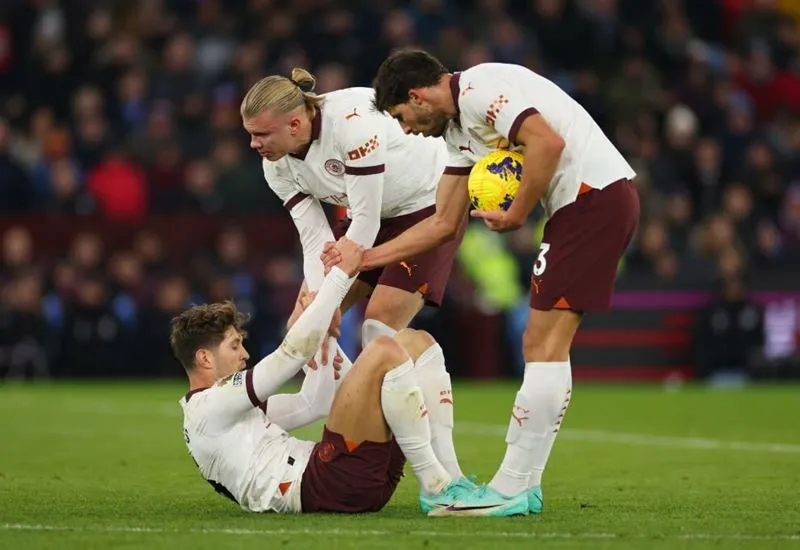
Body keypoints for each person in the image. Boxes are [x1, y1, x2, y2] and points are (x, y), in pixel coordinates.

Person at [323, 49, 640, 514]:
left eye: (402, 116)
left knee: (541, 344)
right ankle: (523, 485)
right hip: (584, 205)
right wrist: (366, 259)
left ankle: (512, 487)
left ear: (417, 96)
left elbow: (546, 144)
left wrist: (516, 213)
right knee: (544, 345)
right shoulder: (458, 134)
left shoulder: (480, 89)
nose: (406, 128)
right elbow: (443, 225)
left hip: (592, 198)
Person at [172, 238, 524, 516]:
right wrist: (338, 283)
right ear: (204, 357)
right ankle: (436, 487)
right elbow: (288, 356)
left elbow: (316, 401)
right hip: (323, 482)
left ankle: (452, 478)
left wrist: (323, 338)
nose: (245, 354)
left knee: (416, 342)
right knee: (385, 350)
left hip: (351, 479)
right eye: (235, 346)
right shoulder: (210, 407)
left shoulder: (224, 413)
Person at [239, 69, 466, 482]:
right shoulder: (276, 165)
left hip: (427, 207)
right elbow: (315, 242)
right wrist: (317, 305)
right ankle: (313, 402)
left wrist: (327, 304)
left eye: (261, 134)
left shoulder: (351, 125)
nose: (254, 145)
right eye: (250, 134)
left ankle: (447, 475)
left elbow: (362, 225)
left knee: (377, 329)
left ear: (295, 123)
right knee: (302, 322)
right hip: (373, 218)